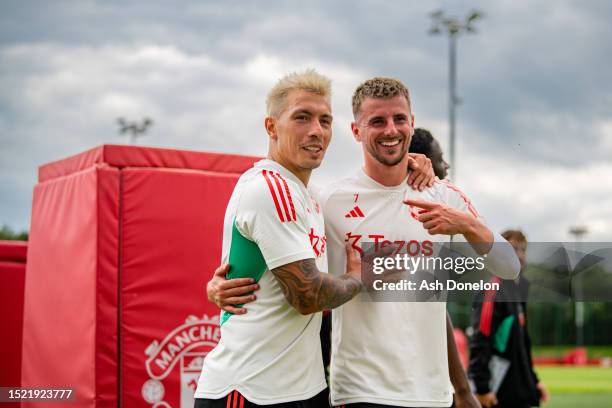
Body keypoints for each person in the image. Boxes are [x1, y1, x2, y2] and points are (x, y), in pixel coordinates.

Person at [208, 77, 520, 408]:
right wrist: (217, 285)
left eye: (400, 119)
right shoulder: (326, 201)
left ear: (412, 124)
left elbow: (510, 267)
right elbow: (277, 257)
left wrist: (467, 225)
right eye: (377, 121)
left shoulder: (445, 197)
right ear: (356, 131)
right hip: (358, 392)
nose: (391, 130)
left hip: (431, 394)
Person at [194, 70, 433, 408]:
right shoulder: (269, 188)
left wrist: (409, 161)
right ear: (272, 127)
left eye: (324, 120)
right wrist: (357, 277)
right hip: (252, 389)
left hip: (304, 388)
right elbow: (307, 296)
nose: (316, 131)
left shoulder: (309, 197)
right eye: (301, 118)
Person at [469, 230, 549, 408]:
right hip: (499, 394)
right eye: (513, 249)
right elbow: (480, 340)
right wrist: (482, 388)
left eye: (523, 250)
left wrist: (534, 380)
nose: (520, 256)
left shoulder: (520, 290)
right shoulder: (493, 290)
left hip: (520, 390)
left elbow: (523, 345)